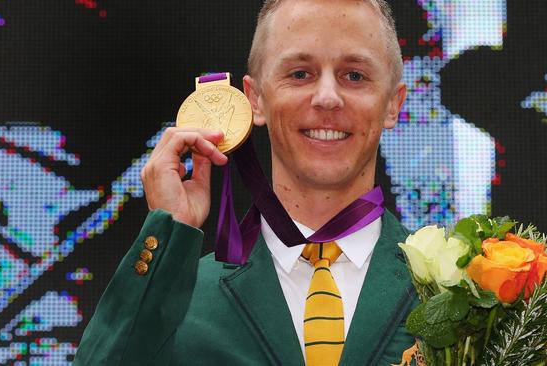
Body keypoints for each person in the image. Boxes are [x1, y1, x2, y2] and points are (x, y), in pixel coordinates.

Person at [74, 0, 417, 364]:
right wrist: (167, 230)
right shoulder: (180, 298)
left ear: (393, 103)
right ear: (255, 99)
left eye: (354, 75)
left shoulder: (462, 287)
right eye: (300, 73)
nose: (327, 98)